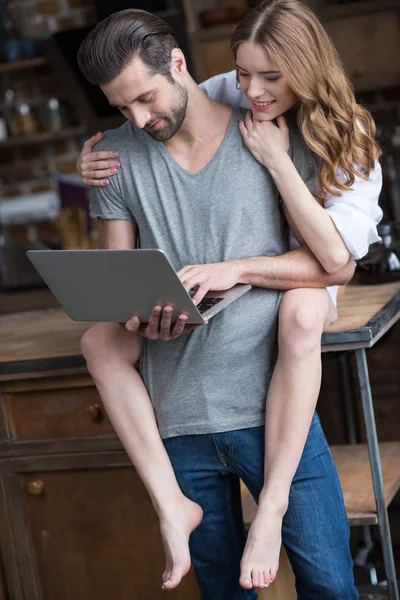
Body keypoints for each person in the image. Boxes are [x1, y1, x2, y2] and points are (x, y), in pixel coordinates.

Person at [76, 2, 381, 598]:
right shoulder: (228, 102)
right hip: (181, 403)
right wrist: (138, 313)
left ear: (178, 65)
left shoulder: (305, 133)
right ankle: (173, 505)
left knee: (327, 582)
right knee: (99, 340)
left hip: (277, 364)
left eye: (145, 99)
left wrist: (238, 258)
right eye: (121, 107)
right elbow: (120, 282)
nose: (137, 119)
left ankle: (268, 508)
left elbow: (337, 263)